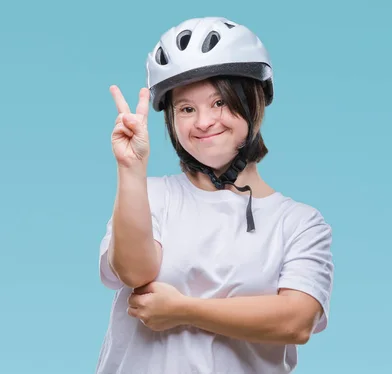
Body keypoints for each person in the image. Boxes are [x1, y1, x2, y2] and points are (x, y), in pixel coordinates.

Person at [96, 16, 334, 374]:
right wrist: (131, 168)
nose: (203, 121)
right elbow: (134, 272)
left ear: (255, 102)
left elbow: (296, 320)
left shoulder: (300, 223)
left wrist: (182, 310)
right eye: (187, 109)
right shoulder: (151, 195)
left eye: (220, 102)